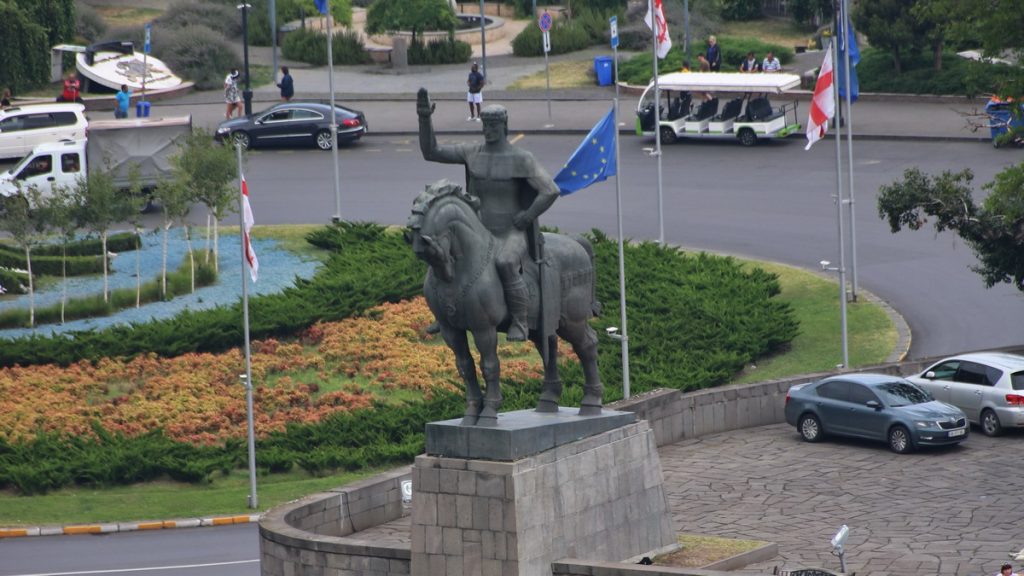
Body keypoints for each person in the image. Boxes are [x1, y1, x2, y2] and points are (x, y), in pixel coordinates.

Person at [418, 88, 558, 341]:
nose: (487, 130)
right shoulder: (473, 153)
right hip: (479, 230)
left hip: (510, 232)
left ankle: (520, 320)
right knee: (441, 254)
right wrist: (424, 118)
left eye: (493, 125)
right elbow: (432, 152)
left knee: (505, 263)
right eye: (485, 124)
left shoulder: (522, 159)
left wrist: (527, 217)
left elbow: (550, 191)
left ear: (504, 126)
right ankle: (444, 314)